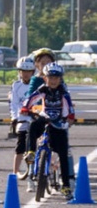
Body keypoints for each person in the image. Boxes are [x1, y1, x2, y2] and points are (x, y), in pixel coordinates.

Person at [20, 62, 76, 200]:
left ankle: (66, 184)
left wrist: (70, 118)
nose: (53, 81)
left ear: (60, 79)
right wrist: (25, 108)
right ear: (45, 78)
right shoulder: (43, 89)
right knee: (33, 127)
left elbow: (70, 107)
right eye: (50, 78)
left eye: (56, 78)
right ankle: (31, 152)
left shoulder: (63, 92)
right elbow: (31, 97)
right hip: (45, 118)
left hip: (58, 122)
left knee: (63, 153)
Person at [8, 57, 36, 189]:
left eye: (28, 71)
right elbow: (13, 104)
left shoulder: (37, 84)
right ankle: (15, 173)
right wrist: (14, 117)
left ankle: (35, 174)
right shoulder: (16, 85)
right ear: (19, 72)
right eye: (22, 71)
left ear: (33, 71)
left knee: (35, 147)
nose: (25, 74)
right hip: (22, 119)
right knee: (20, 146)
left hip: (35, 119)